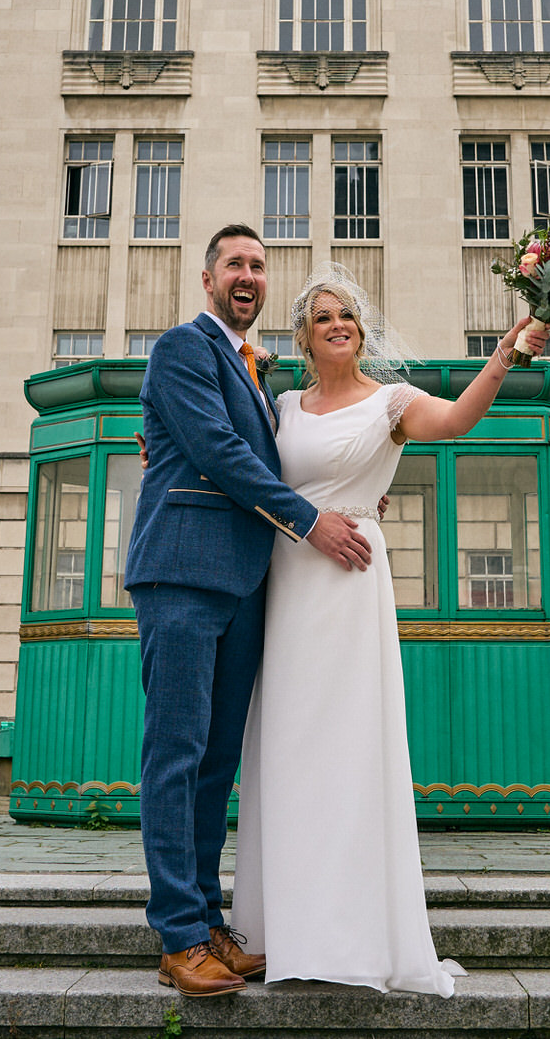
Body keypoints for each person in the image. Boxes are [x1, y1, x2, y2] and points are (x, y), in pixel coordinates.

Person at [233, 263, 546, 996]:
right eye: (322, 318)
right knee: (284, 749)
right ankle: (282, 931)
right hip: (287, 579)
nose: (337, 324)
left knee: (349, 750)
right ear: (305, 337)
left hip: (349, 586)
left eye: (346, 314)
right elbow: (243, 467)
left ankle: (350, 936)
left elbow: (459, 419)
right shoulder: (281, 405)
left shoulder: (393, 403)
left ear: (360, 329)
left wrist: (503, 355)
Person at [125, 225, 373, 997]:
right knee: (174, 753)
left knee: (214, 762)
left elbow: (276, 455)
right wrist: (309, 517)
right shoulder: (182, 349)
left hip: (243, 584)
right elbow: (220, 452)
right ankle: (175, 935)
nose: (248, 275)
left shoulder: (257, 374)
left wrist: (350, 494)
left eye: (259, 266)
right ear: (207, 279)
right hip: (182, 573)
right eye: (234, 263)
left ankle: (206, 924)